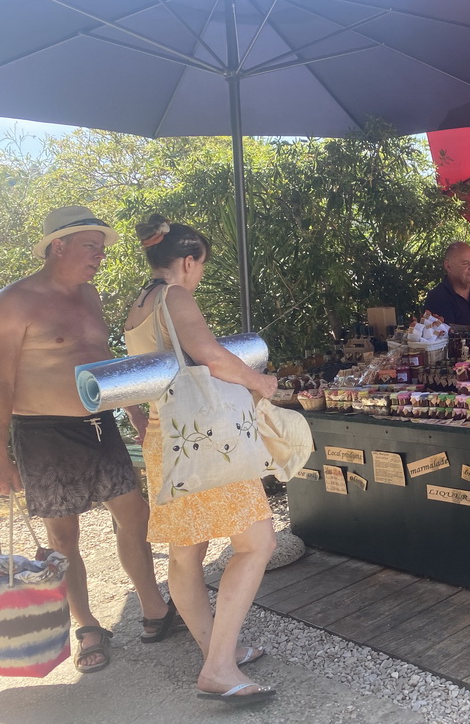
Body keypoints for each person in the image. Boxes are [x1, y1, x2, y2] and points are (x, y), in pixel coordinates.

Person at [0, 206, 174, 674]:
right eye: (91, 247)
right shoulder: (14, 301)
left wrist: (134, 409)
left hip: (99, 425)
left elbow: (101, 358)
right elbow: (1, 381)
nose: (100, 256)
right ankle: (88, 626)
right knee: (63, 536)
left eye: (101, 248)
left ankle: (154, 607)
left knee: (134, 513)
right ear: (59, 246)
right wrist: (0, 454)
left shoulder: (89, 295)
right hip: (43, 433)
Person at [123, 214, 279, 704]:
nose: (200, 275)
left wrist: (135, 415)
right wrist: (260, 382)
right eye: (201, 266)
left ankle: (217, 650)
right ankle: (217, 667)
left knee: (186, 553)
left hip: (165, 439)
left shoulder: (136, 306)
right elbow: (209, 354)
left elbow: (129, 374)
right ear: (188, 261)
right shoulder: (175, 295)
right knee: (258, 544)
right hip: (205, 438)